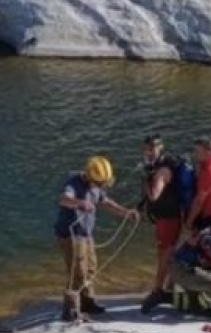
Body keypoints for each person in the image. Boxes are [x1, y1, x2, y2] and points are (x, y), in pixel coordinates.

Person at [54, 156, 139, 322]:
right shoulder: (73, 182)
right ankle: (71, 310)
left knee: (91, 268)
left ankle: (88, 303)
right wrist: (80, 203)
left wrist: (126, 212)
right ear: (89, 176)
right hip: (71, 235)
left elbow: (105, 202)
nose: (101, 187)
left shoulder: (97, 186)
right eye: (100, 183)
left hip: (86, 234)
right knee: (78, 272)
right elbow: (63, 199)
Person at [140, 135, 185, 313]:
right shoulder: (159, 166)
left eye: (152, 148)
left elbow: (154, 195)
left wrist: (145, 181)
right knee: (168, 253)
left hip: (169, 219)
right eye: (147, 148)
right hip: (166, 218)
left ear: (160, 148)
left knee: (164, 254)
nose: (148, 152)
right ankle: (170, 286)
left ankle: (158, 290)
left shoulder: (161, 171)